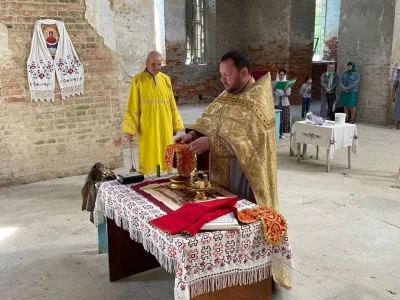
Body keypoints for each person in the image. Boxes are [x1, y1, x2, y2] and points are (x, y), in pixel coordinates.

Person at [174, 50, 278, 211]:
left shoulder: (257, 99)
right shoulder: (230, 91)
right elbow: (211, 118)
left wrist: (211, 142)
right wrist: (192, 135)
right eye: (221, 74)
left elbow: (248, 139)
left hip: (242, 174)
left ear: (243, 72)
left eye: (227, 74)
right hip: (219, 171)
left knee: (241, 215)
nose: (222, 80)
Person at [122, 51, 184, 174]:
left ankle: (166, 178)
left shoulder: (166, 79)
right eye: (153, 64)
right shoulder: (137, 80)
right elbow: (132, 106)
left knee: (166, 151)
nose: (157, 68)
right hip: (147, 127)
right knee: (149, 153)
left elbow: (172, 103)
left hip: (165, 125)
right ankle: (149, 179)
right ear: (146, 63)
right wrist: (130, 129)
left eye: (159, 65)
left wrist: (174, 124)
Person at [272, 69, 291, 139]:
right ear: (278, 74)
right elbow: (271, 93)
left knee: (284, 119)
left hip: (285, 103)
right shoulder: (274, 83)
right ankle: (276, 132)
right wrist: (274, 89)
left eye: (283, 74)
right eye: (280, 74)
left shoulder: (287, 83)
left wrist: (285, 90)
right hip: (277, 102)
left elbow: (288, 94)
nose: (281, 76)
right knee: (277, 119)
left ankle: (282, 133)